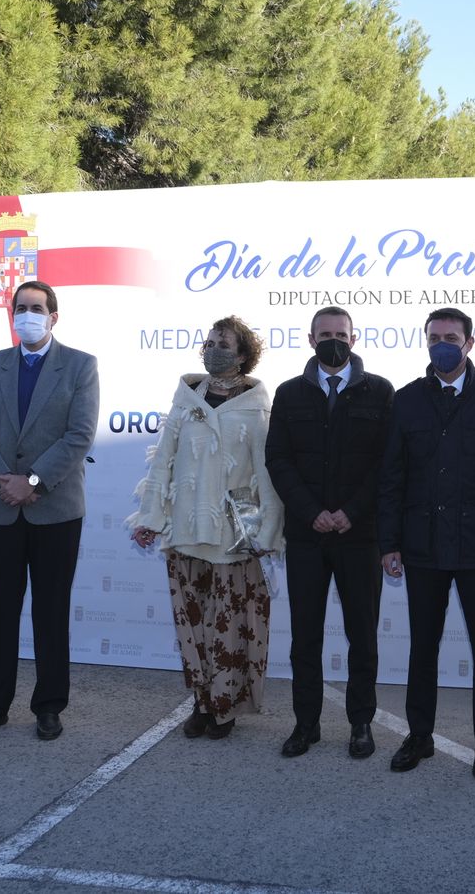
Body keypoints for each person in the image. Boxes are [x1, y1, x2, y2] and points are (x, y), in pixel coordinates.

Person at [377, 307, 475, 780]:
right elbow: (391, 479)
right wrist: (389, 542)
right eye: (434, 337)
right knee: (422, 647)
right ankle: (418, 736)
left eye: (451, 336)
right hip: (422, 548)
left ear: (469, 342)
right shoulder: (406, 401)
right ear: (425, 342)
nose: (442, 344)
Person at [0, 281, 99, 742]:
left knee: (50, 612)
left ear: (53, 317)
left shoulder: (80, 365)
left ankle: (49, 706)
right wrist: (4, 482)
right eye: (21, 308)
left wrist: (33, 481)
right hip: (1, 509)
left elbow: (79, 435)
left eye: (37, 308)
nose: (28, 315)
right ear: (11, 315)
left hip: (55, 511)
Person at [130, 316, 284, 740]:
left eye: (225, 342)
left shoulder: (257, 408)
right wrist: (150, 518)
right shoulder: (186, 399)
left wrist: (269, 533)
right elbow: (163, 461)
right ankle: (201, 701)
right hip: (185, 529)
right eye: (211, 340)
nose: (215, 347)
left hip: (233, 534)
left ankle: (224, 705)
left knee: (229, 623)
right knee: (192, 622)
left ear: (243, 355)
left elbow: (267, 473)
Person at [265, 306, 395, 760]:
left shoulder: (380, 392)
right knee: (306, 637)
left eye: (341, 333)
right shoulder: (289, 393)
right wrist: (313, 511)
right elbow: (278, 460)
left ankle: (361, 724)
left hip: (360, 536)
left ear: (354, 339)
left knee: (363, 635)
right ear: (310, 339)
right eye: (325, 334)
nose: (333, 340)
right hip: (306, 535)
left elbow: (386, 464)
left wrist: (350, 512)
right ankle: (306, 725)